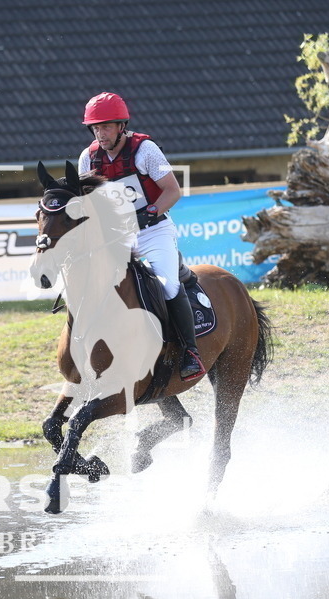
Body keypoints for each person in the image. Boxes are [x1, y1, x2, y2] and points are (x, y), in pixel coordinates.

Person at [77, 91, 205, 381]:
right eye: (96, 127)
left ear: (121, 125)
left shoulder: (145, 150)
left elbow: (172, 191)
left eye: (106, 126)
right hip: (117, 238)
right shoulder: (88, 158)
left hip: (153, 231)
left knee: (168, 285)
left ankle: (189, 352)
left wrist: (149, 212)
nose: (101, 132)